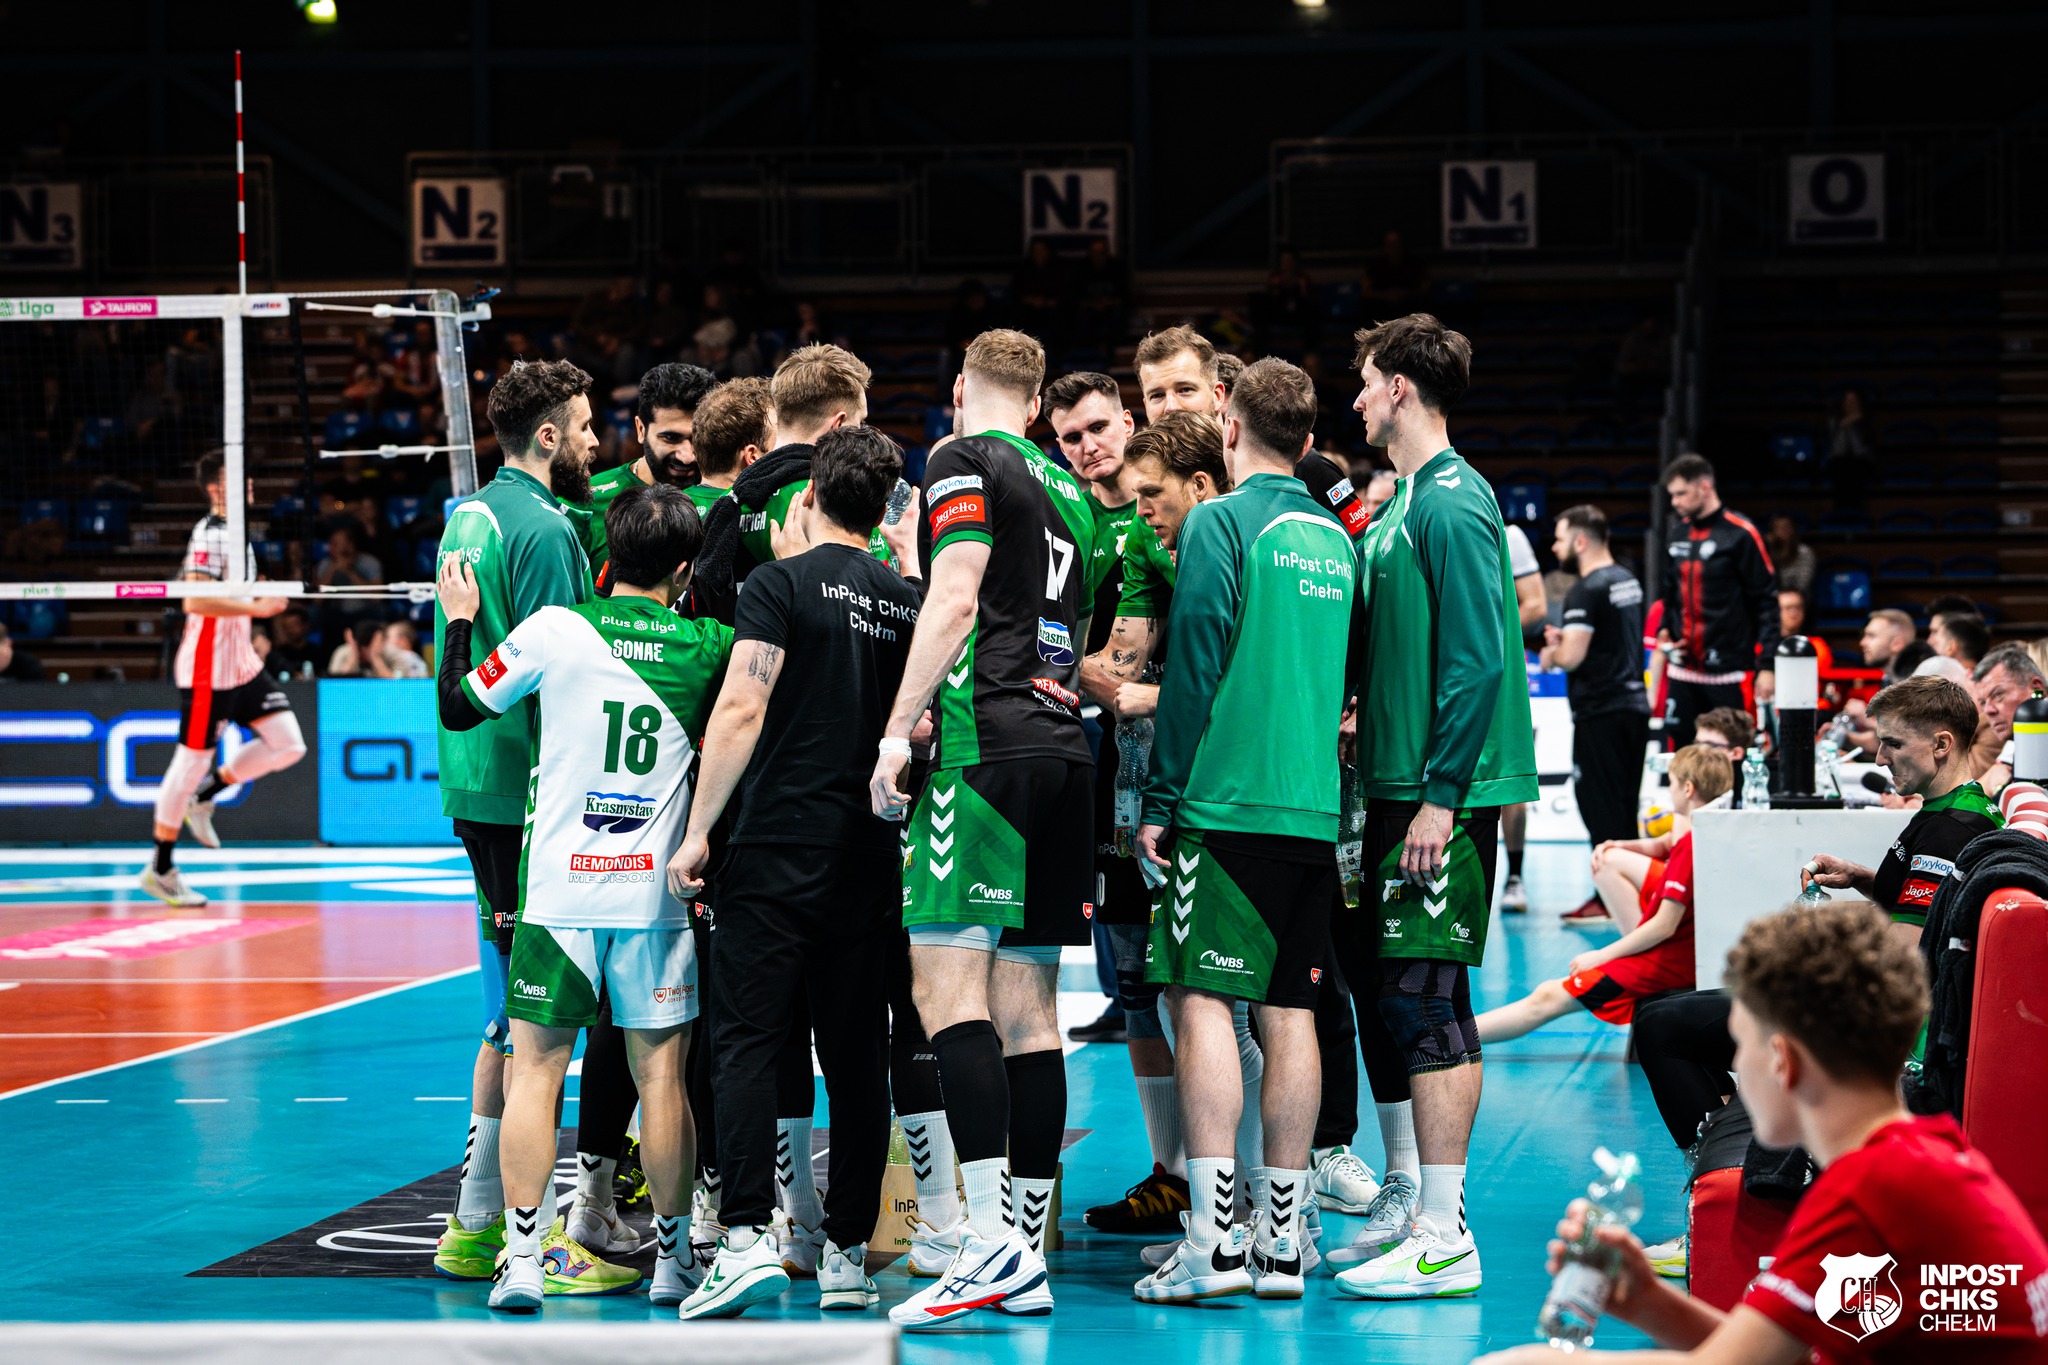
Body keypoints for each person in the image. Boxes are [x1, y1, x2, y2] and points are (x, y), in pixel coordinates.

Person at [1472, 900, 2048, 1365]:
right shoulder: (1913, 1158)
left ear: (1782, 1062)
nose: (1734, 1067)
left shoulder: (1868, 1194)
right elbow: (1771, 1355)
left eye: (1738, 1045)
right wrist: (1647, 1300)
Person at [436, 484, 725, 1313]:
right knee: (661, 1079)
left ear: (606, 560)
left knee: (536, 1070)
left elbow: (459, 706)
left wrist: (460, 620)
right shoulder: (707, 644)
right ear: (682, 571)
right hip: (653, 901)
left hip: (558, 894)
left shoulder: (556, 629)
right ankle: (674, 1263)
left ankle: (523, 1259)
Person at [868, 330, 1100, 1327]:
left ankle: (988, 1246)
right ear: (1040, 402)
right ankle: (1023, 1248)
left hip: (983, 749)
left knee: (944, 992)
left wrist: (895, 730)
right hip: (1063, 751)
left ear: (959, 387)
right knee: (1031, 1012)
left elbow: (958, 596)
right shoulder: (1075, 492)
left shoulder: (960, 457)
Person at [665, 426, 917, 1319]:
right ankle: (845, 1256)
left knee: (746, 1042)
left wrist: (698, 832)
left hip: (774, 848)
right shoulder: (905, 599)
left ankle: (742, 1240)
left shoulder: (779, 583)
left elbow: (741, 705)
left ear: (808, 497)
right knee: (856, 1056)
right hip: (869, 854)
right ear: (881, 508)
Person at [1131, 357, 1354, 1304]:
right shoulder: (1337, 538)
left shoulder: (1222, 522)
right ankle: (1282, 1244)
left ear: (1229, 427)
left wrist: (1160, 798)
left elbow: (1195, 667)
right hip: (1312, 807)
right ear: (1306, 436)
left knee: (1201, 1001)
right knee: (1292, 1010)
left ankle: (1213, 1243)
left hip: (1224, 803)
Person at [1333, 314, 1538, 1300]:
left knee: (1424, 999)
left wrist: (1440, 800)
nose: (1357, 400)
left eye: (1366, 382)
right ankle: (1422, 1212)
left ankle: (1443, 1234)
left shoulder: (1454, 502)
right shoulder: (1404, 503)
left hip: (1435, 800)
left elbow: (1477, 658)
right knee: (1402, 997)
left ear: (1400, 389)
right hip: (1394, 786)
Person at [429, 360, 610, 1287]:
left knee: (507, 1010)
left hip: (477, 784)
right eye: (584, 426)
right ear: (548, 435)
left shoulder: (470, 513)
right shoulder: (544, 528)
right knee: (537, 1023)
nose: (594, 441)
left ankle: (474, 1220)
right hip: (529, 789)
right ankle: (512, 1233)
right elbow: (565, 668)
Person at [1477, 745, 1731, 1044]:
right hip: (1679, 954)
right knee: (1549, 994)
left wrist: (1601, 956)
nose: (1669, 791)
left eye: (1671, 784)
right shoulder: (1709, 833)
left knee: (1548, 997)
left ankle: (1451, 1041)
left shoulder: (1689, 844)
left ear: (1687, 789)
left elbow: (1664, 925)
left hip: (1668, 964)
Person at [141, 452, 304, 908]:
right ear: (216, 488)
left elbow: (232, 594)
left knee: (288, 745)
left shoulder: (238, 534)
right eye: (239, 480)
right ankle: (160, 869)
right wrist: (257, 608)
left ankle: (206, 796)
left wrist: (262, 595)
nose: (250, 487)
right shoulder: (210, 535)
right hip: (207, 670)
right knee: (188, 764)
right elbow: (194, 601)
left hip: (242, 664)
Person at [1804, 677, 2004, 955]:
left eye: (1894, 744)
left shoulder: (1949, 829)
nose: (1880, 759)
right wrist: (1858, 876)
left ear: (1941, 745)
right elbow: (1924, 904)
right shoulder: (1960, 805)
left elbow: (1905, 958)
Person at [1541, 505, 1653, 856]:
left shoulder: (1585, 589)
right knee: (1624, 808)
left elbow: (1572, 656)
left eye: (1559, 540)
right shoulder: (1626, 579)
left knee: (1599, 807)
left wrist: (1552, 654)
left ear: (1580, 542)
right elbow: (1608, 638)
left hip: (1601, 712)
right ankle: (1630, 879)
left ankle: (1609, 882)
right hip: (1634, 708)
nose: (1554, 548)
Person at [1658, 453, 1780, 746]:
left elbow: (1767, 602)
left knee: (1731, 752)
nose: (1674, 502)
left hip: (1728, 672)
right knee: (1682, 755)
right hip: (1682, 670)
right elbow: (1670, 594)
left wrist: (1768, 666)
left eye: (1680, 493)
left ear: (1704, 487)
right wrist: (1665, 630)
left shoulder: (1741, 534)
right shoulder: (1677, 533)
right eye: (1672, 495)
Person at [573, 363, 717, 593]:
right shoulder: (585, 505)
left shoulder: (728, 499)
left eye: (698, 438)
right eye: (671, 438)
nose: (687, 456)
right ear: (641, 430)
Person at [1500, 523, 1549, 913]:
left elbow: (1535, 605)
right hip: (1431, 669)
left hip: (1498, 670)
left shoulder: (1508, 534)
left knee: (1508, 778)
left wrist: (1479, 634)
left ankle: (1514, 876)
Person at [1968, 644, 2046, 794]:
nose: (1988, 710)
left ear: (2037, 688)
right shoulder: (2015, 745)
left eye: (1998, 695)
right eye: (1983, 702)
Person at [1765, 515, 1816, 599]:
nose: (1783, 530)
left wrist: (1786, 595)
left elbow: (1803, 583)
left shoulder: (1804, 551)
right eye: (1778, 528)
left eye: (1786, 526)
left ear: (1792, 529)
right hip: (1773, 594)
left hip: (1798, 595)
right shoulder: (1769, 551)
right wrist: (1767, 545)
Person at [326, 617, 392, 678]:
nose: (384, 645)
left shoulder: (391, 653)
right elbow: (334, 683)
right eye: (381, 641)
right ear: (364, 647)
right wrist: (352, 659)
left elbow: (394, 684)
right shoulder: (343, 652)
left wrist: (375, 658)